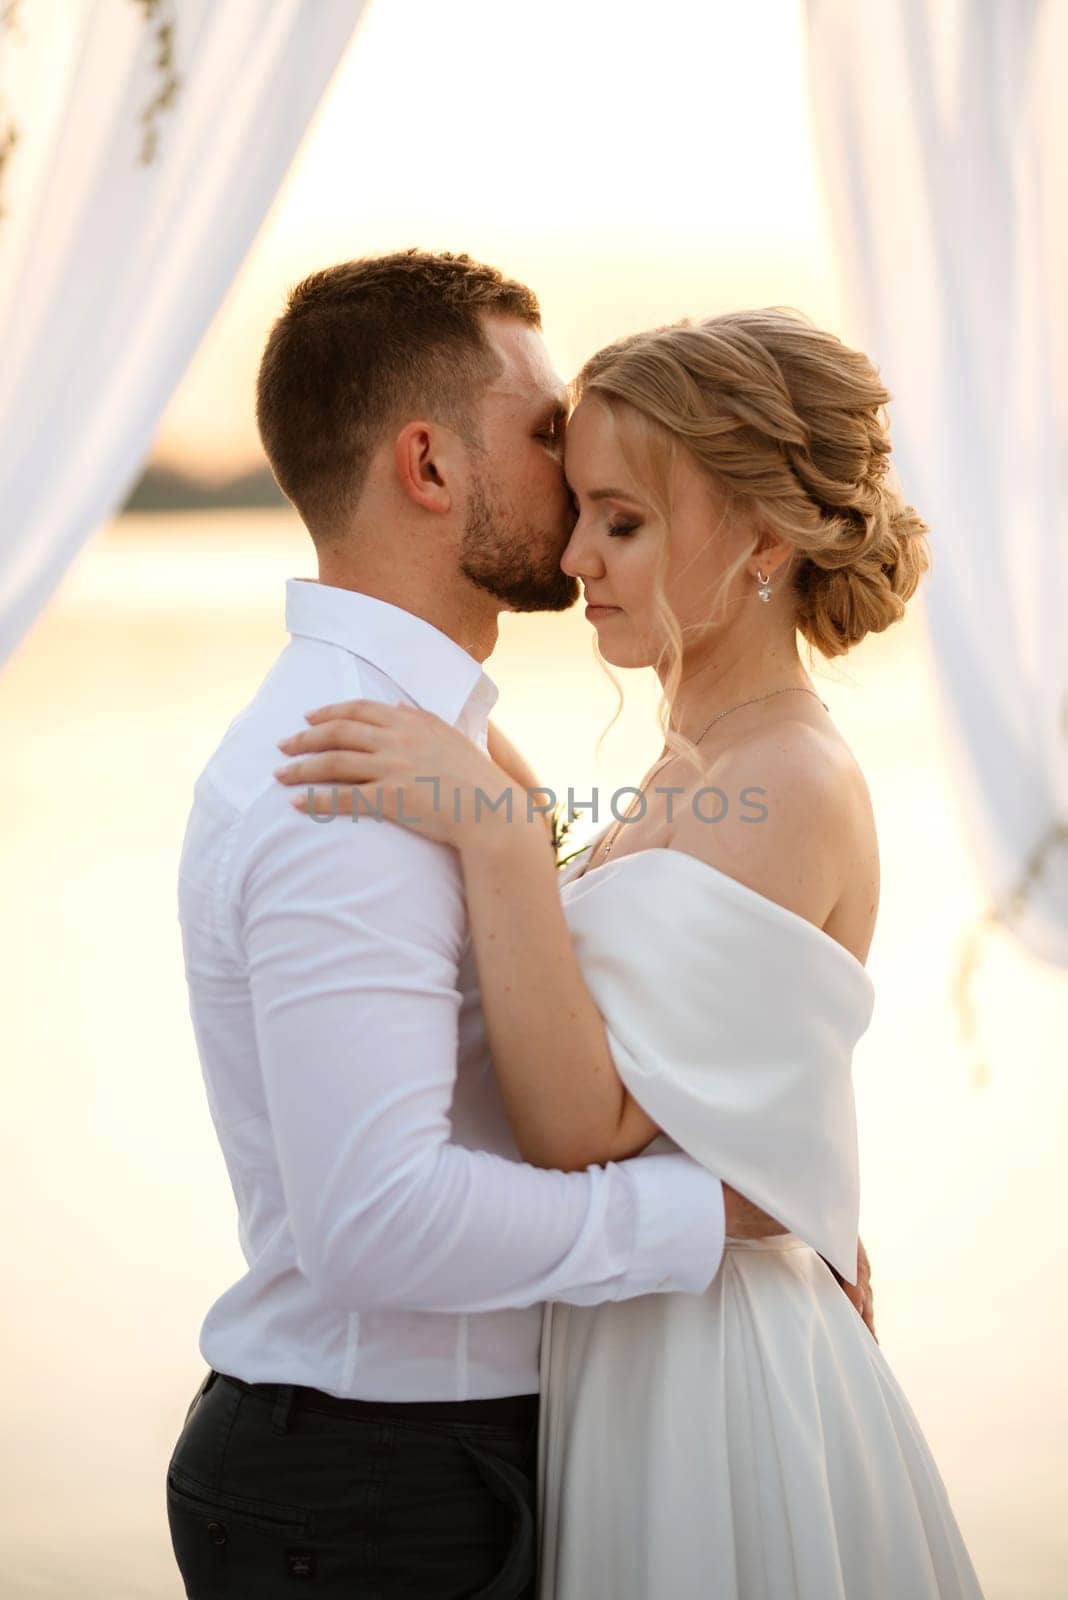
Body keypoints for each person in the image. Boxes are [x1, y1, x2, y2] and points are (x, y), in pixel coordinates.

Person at [273, 308, 986, 1597]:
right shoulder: (693, 768)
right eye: (583, 509)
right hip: (638, 1340)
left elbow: (582, 1127)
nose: (573, 552)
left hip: (717, 1375)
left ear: (763, 538)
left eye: (623, 519)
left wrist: (496, 838)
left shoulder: (791, 781)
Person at [167, 252, 815, 1600]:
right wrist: (718, 1218)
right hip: (375, 1492)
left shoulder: (442, 749)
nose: (575, 471)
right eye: (540, 430)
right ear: (428, 466)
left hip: (428, 1461)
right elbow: (378, 1224)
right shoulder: (343, 776)